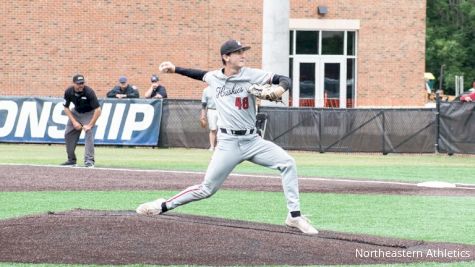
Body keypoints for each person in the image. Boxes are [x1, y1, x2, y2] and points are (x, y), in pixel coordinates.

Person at [136, 39, 318, 235]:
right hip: (228, 144)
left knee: (288, 163)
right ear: (226, 57)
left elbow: (284, 79)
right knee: (206, 189)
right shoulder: (214, 77)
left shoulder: (252, 74)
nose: (243, 55)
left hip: (253, 141)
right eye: (238, 52)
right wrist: (175, 69)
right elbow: (198, 74)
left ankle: (294, 216)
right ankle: (163, 205)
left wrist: (278, 89)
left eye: (243, 51)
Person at [61, 74, 101, 168]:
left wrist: (90, 125)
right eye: (78, 83)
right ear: (74, 83)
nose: (81, 85)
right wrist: (74, 122)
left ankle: (89, 161)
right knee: (68, 134)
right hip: (76, 112)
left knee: (89, 132)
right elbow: (66, 108)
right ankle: (71, 160)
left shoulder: (89, 92)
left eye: (82, 83)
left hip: (89, 113)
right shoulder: (69, 91)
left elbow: (98, 110)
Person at [200, 86, 218, 151]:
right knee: (213, 129)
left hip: (221, 110)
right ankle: (212, 146)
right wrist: (203, 115)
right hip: (211, 110)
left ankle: (218, 146)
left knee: (221, 130)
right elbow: (204, 104)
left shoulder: (221, 87)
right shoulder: (206, 90)